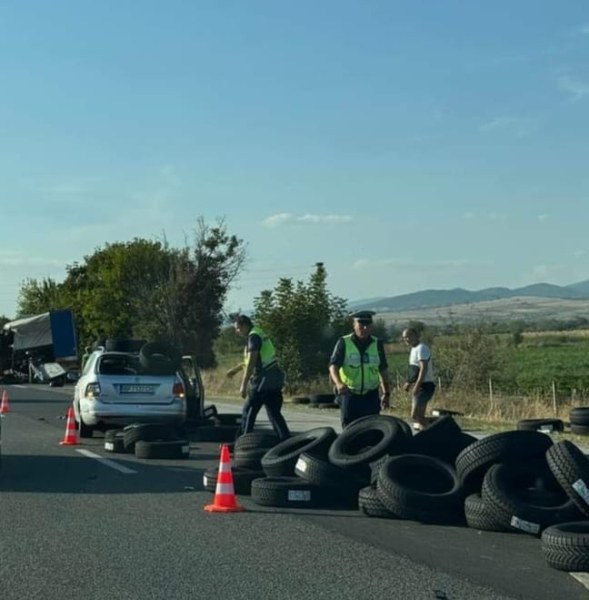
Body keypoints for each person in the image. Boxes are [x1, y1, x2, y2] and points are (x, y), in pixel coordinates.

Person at [226, 315, 290, 440]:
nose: (237, 331)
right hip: (274, 377)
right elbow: (251, 361)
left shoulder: (253, 337)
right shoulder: (258, 333)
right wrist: (235, 370)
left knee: (249, 411)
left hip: (263, 379)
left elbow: (251, 362)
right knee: (274, 413)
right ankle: (285, 441)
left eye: (238, 328)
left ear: (245, 326)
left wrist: (243, 385)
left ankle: (243, 442)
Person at [328, 310, 391, 427]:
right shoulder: (344, 342)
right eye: (361, 325)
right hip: (349, 394)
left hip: (370, 395)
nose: (365, 328)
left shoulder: (377, 343)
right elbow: (333, 366)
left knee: (372, 428)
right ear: (354, 325)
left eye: (368, 325)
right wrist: (338, 383)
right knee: (349, 429)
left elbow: (383, 370)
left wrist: (386, 393)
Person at [402, 327, 436, 431]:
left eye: (409, 336)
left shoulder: (422, 348)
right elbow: (414, 370)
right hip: (419, 384)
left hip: (425, 385)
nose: (407, 339)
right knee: (419, 416)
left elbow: (423, 368)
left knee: (415, 415)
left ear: (417, 336)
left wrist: (417, 385)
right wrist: (408, 382)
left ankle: (436, 429)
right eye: (405, 337)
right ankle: (426, 432)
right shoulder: (413, 349)